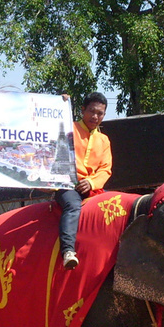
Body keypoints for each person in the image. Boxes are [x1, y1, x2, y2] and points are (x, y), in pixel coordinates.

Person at [55, 92, 112, 270]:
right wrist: (59, 104)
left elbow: (105, 169)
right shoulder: (68, 129)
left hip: (92, 187)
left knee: (115, 205)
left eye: (100, 113)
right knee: (73, 205)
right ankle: (68, 252)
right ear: (82, 110)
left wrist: (92, 183)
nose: (95, 117)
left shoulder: (104, 140)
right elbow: (46, 123)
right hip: (67, 186)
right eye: (92, 112)